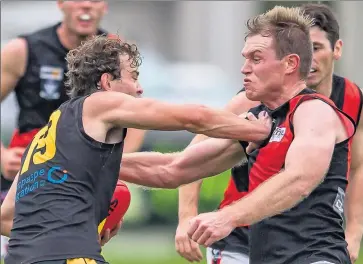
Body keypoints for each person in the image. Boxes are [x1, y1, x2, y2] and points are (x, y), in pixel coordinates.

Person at [0, 35, 272, 264]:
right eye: (134, 77)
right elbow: (193, 117)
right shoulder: (99, 104)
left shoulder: (44, 138)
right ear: (107, 83)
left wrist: (84, 224)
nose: (140, 89)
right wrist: (256, 131)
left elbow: (7, 217)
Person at [118, 6, 357, 264]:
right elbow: (175, 168)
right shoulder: (259, 119)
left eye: (256, 59)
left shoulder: (314, 110)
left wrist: (226, 217)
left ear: (290, 64)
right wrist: (96, 161)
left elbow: (300, 179)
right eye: (245, 58)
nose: (244, 69)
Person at [0, 1, 146, 256]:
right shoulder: (23, 49)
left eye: (94, 0)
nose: (86, 6)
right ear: (61, 4)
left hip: (80, 180)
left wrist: (113, 172)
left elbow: (137, 116)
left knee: (80, 249)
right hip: (27, 175)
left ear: (105, 6)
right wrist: (1, 155)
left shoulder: (118, 53)